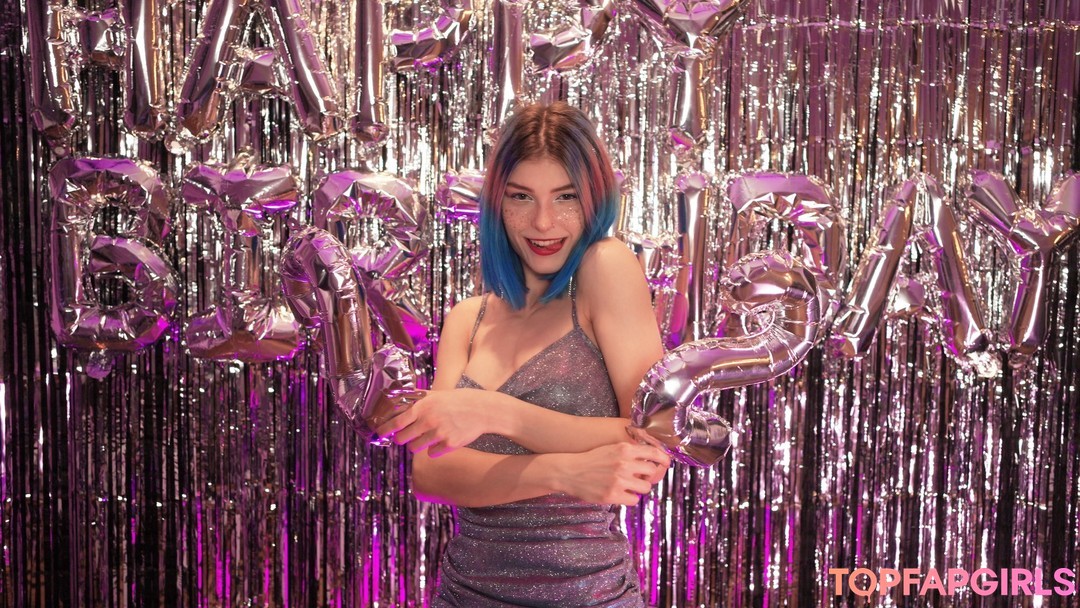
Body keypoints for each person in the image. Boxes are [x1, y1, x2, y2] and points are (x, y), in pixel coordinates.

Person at [376, 102, 670, 607]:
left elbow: (656, 435)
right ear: (498, 203)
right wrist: (559, 472)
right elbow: (430, 474)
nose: (543, 221)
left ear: (594, 199)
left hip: (588, 595)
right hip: (466, 594)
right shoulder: (466, 319)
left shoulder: (606, 268)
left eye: (566, 196)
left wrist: (496, 413)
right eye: (521, 196)